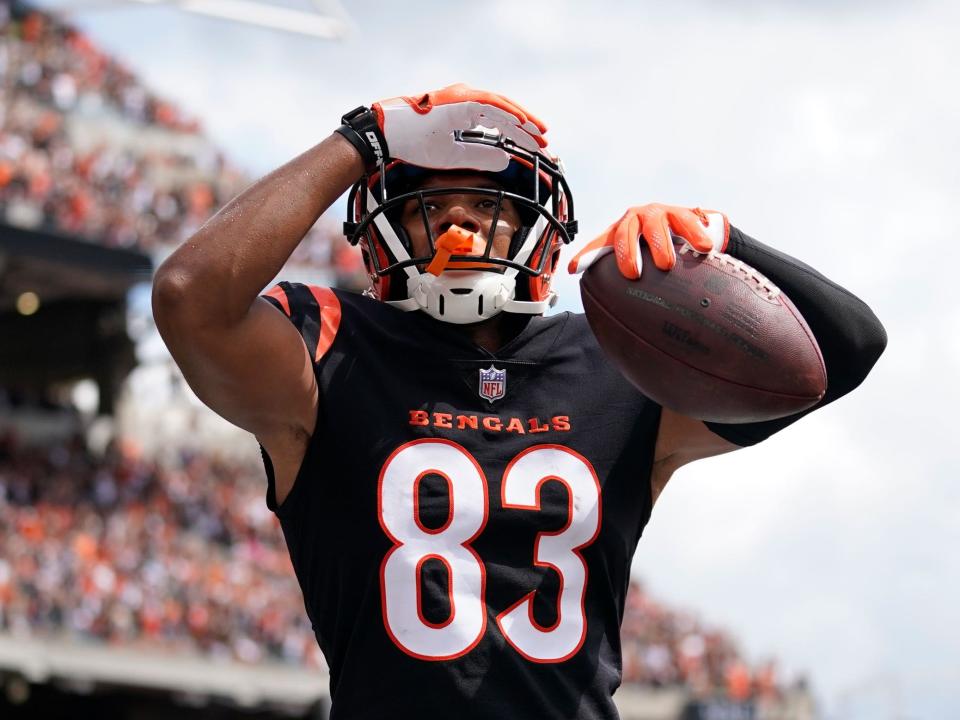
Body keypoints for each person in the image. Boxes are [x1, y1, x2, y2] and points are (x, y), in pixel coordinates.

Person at [152, 84, 886, 719]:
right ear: (380, 224)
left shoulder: (619, 364)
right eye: (427, 207)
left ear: (539, 220)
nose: (458, 226)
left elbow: (849, 349)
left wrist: (722, 239)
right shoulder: (333, 348)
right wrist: (365, 136)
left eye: (484, 202)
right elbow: (190, 297)